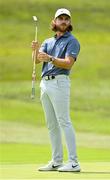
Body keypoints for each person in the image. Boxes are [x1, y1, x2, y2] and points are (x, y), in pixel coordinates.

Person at [31, 8, 80, 172]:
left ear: (69, 23)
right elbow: (37, 61)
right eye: (61, 18)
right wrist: (35, 51)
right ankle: (57, 161)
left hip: (60, 82)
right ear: (55, 21)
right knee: (51, 124)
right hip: (45, 84)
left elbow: (68, 63)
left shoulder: (72, 41)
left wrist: (50, 58)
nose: (64, 21)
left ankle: (74, 162)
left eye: (67, 19)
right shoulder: (47, 41)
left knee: (64, 121)